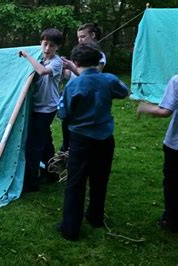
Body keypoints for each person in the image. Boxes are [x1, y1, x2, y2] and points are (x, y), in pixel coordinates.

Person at [56, 42, 129, 240]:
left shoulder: (73, 84)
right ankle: (95, 217)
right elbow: (124, 92)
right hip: (105, 139)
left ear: (76, 62)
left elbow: (63, 113)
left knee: (76, 183)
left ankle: (70, 229)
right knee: (100, 179)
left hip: (80, 141)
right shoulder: (109, 79)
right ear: (98, 61)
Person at [18, 28, 63, 192]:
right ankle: (52, 173)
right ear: (40, 43)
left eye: (51, 45)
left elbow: (42, 71)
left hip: (47, 108)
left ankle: (32, 182)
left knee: (33, 146)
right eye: (44, 44)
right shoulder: (40, 58)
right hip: (37, 106)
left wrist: (27, 55)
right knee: (45, 142)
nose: (46, 49)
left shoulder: (56, 62)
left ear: (57, 47)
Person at [136, 75, 178, 233]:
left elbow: (165, 111)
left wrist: (144, 107)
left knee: (173, 182)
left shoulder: (177, 81)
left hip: (176, 145)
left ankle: (172, 221)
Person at [60, 23, 107, 152]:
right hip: (72, 94)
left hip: (86, 96)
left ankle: (76, 154)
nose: (80, 40)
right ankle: (66, 153)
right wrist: (62, 68)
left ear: (93, 35)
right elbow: (70, 75)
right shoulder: (79, 54)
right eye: (78, 37)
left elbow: (92, 76)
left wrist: (71, 66)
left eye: (83, 36)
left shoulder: (99, 55)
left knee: (79, 128)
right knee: (66, 125)